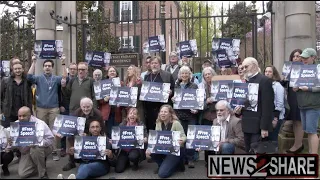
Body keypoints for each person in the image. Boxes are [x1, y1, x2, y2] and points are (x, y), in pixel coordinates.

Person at [27, 54, 67, 161]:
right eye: (46, 66)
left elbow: (64, 79)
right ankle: (42, 150)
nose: (47, 67)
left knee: (54, 130)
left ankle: (53, 151)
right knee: (41, 130)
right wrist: (34, 62)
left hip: (54, 108)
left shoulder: (56, 78)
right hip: (41, 108)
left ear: (52, 68)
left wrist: (63, 63)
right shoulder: (39, 78)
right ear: (43, 67)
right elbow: (29, 77)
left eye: (49, 66)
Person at [234, 57, 274, 153]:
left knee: (257, 152)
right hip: (246, 123)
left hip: (258, 124)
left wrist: (264, 127)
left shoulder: (264, 80)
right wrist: (238, 111)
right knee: (248, 151)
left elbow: (268, 106)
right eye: (242, 68)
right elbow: (244, 103)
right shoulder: (245, 82)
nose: (243, 70)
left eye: (246, 67)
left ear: (254, 66)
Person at [61, 97, 103, 171]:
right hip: (80, 133)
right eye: (84, 107)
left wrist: (89, 135)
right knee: (69, 136)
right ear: (81, 106)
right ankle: (71, 161)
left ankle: (92, 158)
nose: (86, 109)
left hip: (93, 133)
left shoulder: (98, 114)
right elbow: (71, 127)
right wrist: (62, 132)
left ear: (92, 106)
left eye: (88, 107)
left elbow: (101, 129)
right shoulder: (76, 113)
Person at [146, 105, 186, 178]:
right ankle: (162, 165)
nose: (163, 113)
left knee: (162, 174)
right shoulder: (158, 123)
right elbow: (155, 138)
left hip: (175, 150)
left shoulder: (176, 123)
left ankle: (177, 164)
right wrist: (149, 148)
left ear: (170, 114)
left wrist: (182, 140)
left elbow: (184, 136)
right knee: (150, 150)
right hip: (163, 148)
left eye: (165, 112)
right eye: (161, 111)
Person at [13, 106, 54, 179]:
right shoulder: (15, 125)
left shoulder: (40, 123)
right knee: (23, 174)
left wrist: (37, 142)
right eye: (19, 116)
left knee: (36, 148)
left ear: (30, 115)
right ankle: (40, 163)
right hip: (26, 151)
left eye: (24, 116)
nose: (21, 118)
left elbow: (50, 139)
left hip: (42, 148)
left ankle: (43, 174)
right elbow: (14, 145)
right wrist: (10, 144)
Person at [293, 48, 320, 154]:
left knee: (312, 132)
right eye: (302, 57)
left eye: (306, 57)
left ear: (313, 57)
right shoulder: (299, 69)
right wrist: (295, 88)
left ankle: (314, 156)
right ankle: (311, 153)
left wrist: (308, 88)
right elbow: (296, 85)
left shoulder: (318, 69)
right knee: (308, 131)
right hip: (302, 105)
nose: (303, 59)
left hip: (313, 105)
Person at [171, 66, 198, 168]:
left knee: (190, 137)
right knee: (180, 137)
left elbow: (198, 100)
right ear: (180, 75)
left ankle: (190, 158)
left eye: (186, 73)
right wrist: (173, 99)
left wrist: (197, 109)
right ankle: (181, 158)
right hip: (179, 115)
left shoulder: (194, 86)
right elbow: (174, 98)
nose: (184, 75)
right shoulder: (176, 85)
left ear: (189, 74)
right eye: (182, 73)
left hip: (190, 115)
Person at [203, 100, 245, 164]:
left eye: (221, 110)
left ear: (228, 111)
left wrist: (226, 141)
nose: (219, 112)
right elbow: (212, 137)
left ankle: (225, 168)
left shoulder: (236, 121)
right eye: (217, 110)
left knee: (226, 146)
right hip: (219, 146)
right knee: (208, 145)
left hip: (235, 147)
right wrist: (201, 145)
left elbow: (241, 141)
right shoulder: (215, 121)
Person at [144, 56, 175, 131]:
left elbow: (174, 88)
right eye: (152, 63)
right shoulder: (147, 76)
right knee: (151, 129)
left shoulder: (167, 75)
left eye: (156, 63)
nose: (154, 65)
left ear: (160, 64)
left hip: (162, 107)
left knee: (163, 129)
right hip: (150, 108)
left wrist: (171, 92)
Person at [284, 49, 305, 154]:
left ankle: (298, 144)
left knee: (299, 121)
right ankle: (297, 144)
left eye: (298, 56)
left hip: (300, 96)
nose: (296, 58)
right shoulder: (288, 69)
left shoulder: (305, 69)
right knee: (294, 121)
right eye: (294, 56)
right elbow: (285, 85)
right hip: (291, 96)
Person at [0, 62, 33, 128]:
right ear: (12, 70)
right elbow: (1, 96)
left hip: (24, 113)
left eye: (19, 68)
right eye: (15, 69)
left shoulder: (27, 81)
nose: (17, 70)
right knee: (9, 133)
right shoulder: (5, 81)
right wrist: (1, 112)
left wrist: (34, 62)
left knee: (23, 134)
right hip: (9, 113)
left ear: (23, 69)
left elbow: (30, 74)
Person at [115, 108, 148, 172]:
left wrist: (145, 139)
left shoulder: (140, 125)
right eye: (130, 113)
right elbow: (116, 136)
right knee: (118, 170)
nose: (132, 115)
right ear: (128, 115)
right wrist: (114, 140)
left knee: (133, 157)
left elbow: (146, 136)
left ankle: (135, 163)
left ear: (137, 116)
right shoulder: (122, 125)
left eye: (134, 114)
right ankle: (126, 161)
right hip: (124, 149)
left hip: (135, 148)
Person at [100, 66, 124, 138]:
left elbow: (125, 97)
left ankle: (116, 149)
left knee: (117, 132)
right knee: (108, 132)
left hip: (117, 111)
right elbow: (99, 99)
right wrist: (104, 100)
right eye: (110, 71)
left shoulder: (121, 84)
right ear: (107, 73)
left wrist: (121, 102)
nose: (112, 72)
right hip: (107, 113)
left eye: (114, 71)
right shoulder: (102, 84)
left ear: (116, 73)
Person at [264, 66, 285, 142]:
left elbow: (280, 103)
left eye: (269, 72)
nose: (267, 73)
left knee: (273, 139)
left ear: (274, 73)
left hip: (275, 116)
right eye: (266, 71)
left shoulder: (277, 86)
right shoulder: (264, 84)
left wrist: (275, 118)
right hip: (266, 116)